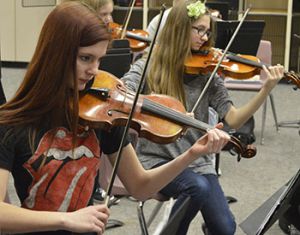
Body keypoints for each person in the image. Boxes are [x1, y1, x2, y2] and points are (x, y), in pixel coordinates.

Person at [0, 2, 230, 234]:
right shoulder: (13, 122)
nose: (95, 71)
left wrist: (192, 154)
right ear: (56, 53)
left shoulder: (101, 116)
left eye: (99, 60)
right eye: (86, 58)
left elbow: (140, 187)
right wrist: (65, 220)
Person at [121, 0, 285, 234]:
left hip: (197, 162)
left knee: (225, 228)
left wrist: (265, 89)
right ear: (179, 29)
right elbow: (124, 94)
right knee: (195, 187)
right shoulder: (149, 65)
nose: (205, 37)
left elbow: (234, 119)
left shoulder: (208, 72)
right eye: (199, 29)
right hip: (157, 160)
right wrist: (168, 108)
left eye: (208, 31)